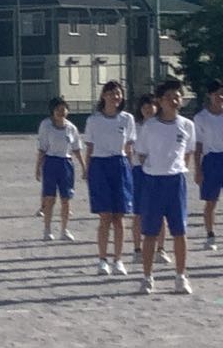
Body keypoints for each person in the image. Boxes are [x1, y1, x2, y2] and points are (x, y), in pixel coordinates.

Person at [136, 80, 195, 295]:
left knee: (179, 232)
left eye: (177, 96)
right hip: (153, 182)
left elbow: (188, 152)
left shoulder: (187, 125)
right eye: (169, 96)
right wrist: (155, 169)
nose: (174, 100)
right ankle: (147, 277)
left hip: (176, 182)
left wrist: (176, 169)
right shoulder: (150, 126)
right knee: (150, 233)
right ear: (160, 101)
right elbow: (142, 154)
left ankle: (180, 277)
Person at [84, 80, 135, 277]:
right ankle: (102, 259)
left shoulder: (127, 119)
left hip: (119, 165)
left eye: (118, 93)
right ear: (104, 95)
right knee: (105, 216)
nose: (115, 97)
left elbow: (129, 148)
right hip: (100, 165)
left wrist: (130, 170)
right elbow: (89, 147)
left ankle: (118, 260)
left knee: (119, 217)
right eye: (112, 93)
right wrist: (88, 170)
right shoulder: (94, 120)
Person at [35, 96, 86, 241]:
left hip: (66, 163)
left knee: (66, 199)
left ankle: (64, 230)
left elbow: (76, 149)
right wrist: (38, 167)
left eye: (64, 109)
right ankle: (47, 229)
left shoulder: (71, 128)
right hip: (51, 162)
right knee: (50, 198)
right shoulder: (46, 125)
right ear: (52, 111)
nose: (61, 112)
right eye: (58, 109)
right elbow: (42, 148)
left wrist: (84, 167)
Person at [131, 94, 170, 264]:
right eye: (144, 106)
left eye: (151, 106)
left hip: (159, 172)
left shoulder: (164, 126)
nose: (148, 109)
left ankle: (160, 249)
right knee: (138, 213)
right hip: (139, 171)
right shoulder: (135, 127)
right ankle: (137, 249)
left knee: (160, 212)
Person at [193, 78, 223, 252]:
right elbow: (198, 145)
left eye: (222, 94)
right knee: (211, 201)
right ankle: (210, 235)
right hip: (211, 160)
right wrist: (197, 169)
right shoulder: (201, 118)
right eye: (217, 94)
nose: (220, 97)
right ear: (210, 95)